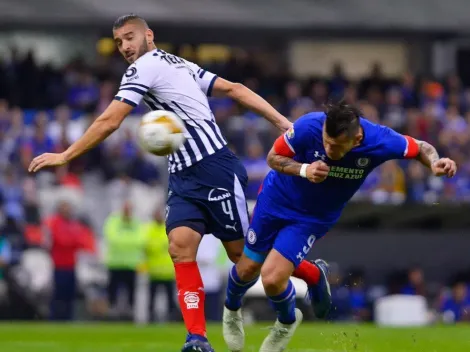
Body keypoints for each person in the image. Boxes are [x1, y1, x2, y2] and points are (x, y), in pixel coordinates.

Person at [28, 14, 321, 352]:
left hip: (215, 168)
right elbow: (234, 89)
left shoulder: (145, 67)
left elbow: (111, 119)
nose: (124, 47)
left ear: (148, 36)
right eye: (119, 41)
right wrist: (284, 122)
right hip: (182, 175)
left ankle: (310, 275)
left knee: (245, 259)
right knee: (179, 247)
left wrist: (66, 155)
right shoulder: (177, 64)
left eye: (129, 38)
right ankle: (196, 338)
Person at [222, 101, 457, 352]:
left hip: (312, 218)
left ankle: (286, 322)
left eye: (334, 146)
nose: (327, 148)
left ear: (356, 139)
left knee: (271, 279)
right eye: (325, 141)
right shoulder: (308, 126)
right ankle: (231, 311)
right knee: (247, 268)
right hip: (275, 200)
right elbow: (273, 157)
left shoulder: (379, 140)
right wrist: (304, 169)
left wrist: (434, 162)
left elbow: (421, 147)